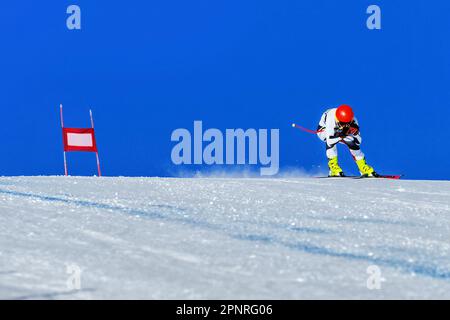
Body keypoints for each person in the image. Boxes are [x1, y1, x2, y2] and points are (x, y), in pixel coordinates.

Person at [317, 104, 376, 177]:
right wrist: (341, 136)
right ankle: (333, 168)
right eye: (342, 123)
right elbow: (329, 141)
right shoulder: (331, 118)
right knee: (330, 141)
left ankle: (363, 167)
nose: (345, 125)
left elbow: (358, 142)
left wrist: (355, 133)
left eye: (348, 123)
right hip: (323, 130)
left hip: (341, 133)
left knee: (351, 141)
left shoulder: (353, 120)